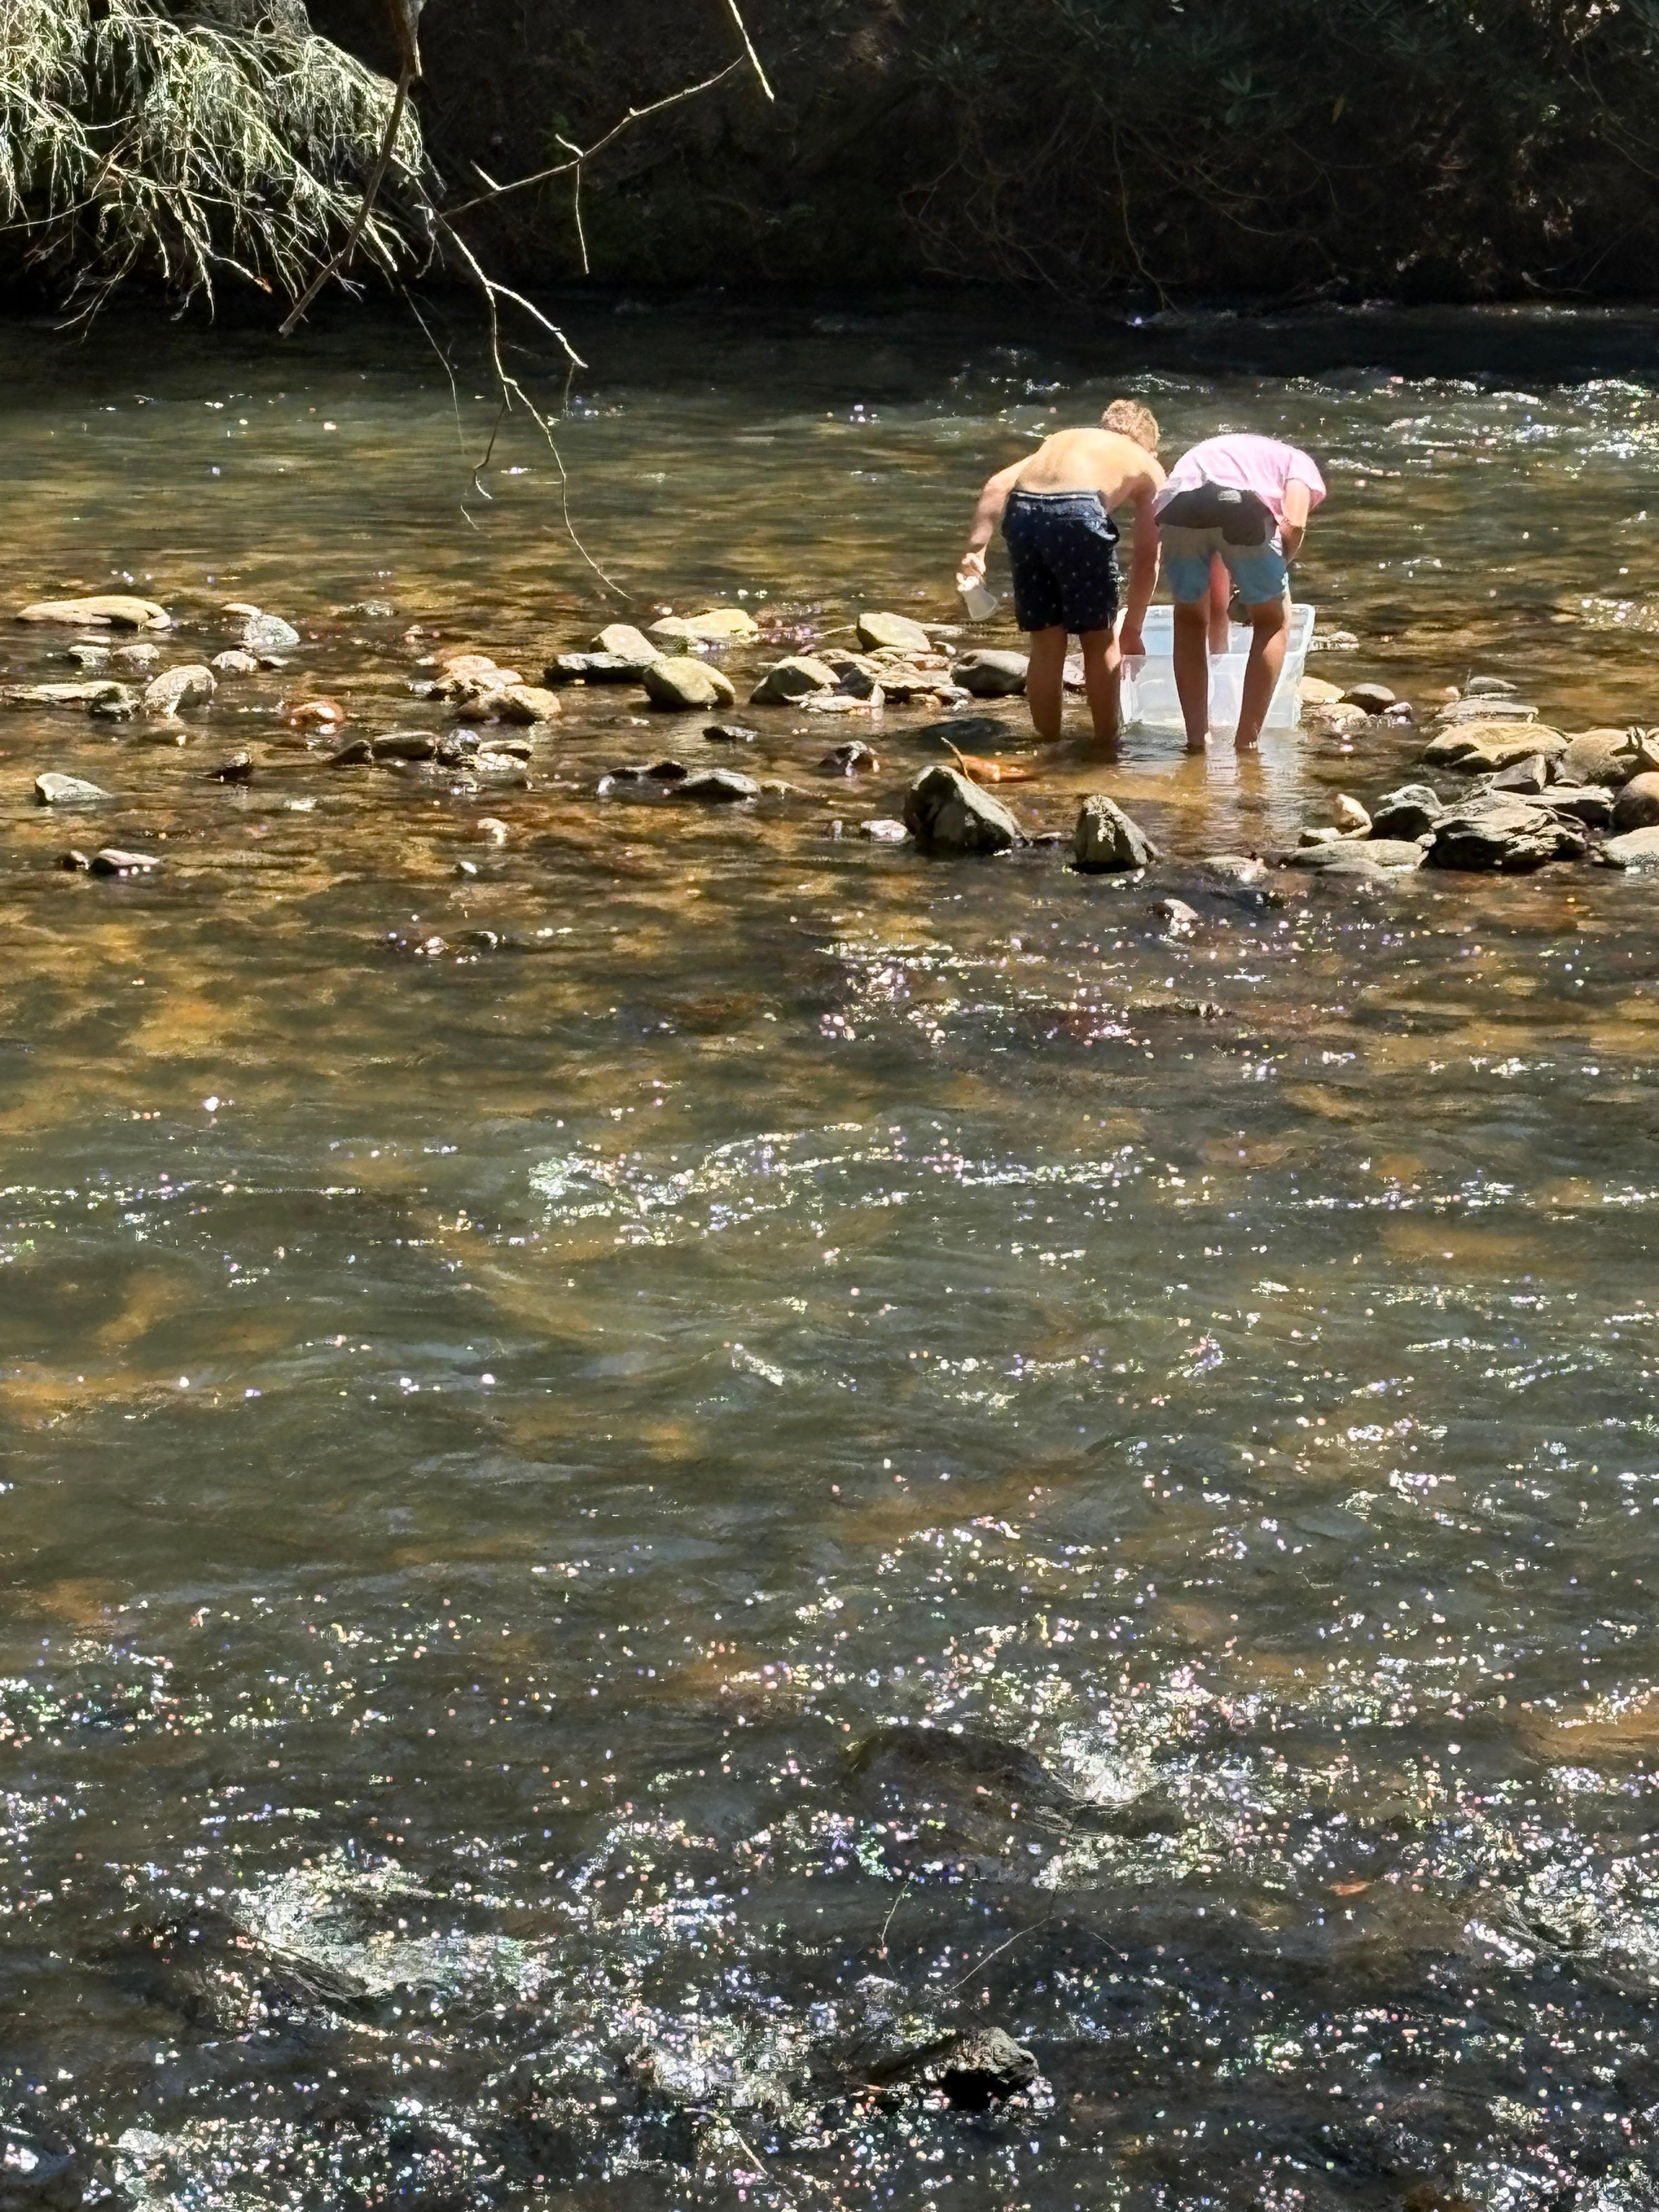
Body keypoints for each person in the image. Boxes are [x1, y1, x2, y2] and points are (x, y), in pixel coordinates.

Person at [958, 399, 1165, 746]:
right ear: (1150, 446)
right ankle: (1106, 745)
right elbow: (1147, 557)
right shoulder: (1145, 461)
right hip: (1077, 512)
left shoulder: (1062, 440)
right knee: (1099, 641)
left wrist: (976, 549)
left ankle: (1049, 742)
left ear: (1104, 428)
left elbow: (996, 486)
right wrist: (1132, 627)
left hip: (1024, 511)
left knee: (1045, 642)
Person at [1154, 432, 1326, 752]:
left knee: (1190, 620)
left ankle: (1197, 740)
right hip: (1241, 511)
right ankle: (1246, 742)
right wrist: (1273, 573)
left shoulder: (1232, 450)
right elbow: (1295, 524)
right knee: (1272, 622)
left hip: (1178, 508)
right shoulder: (1299, 464)